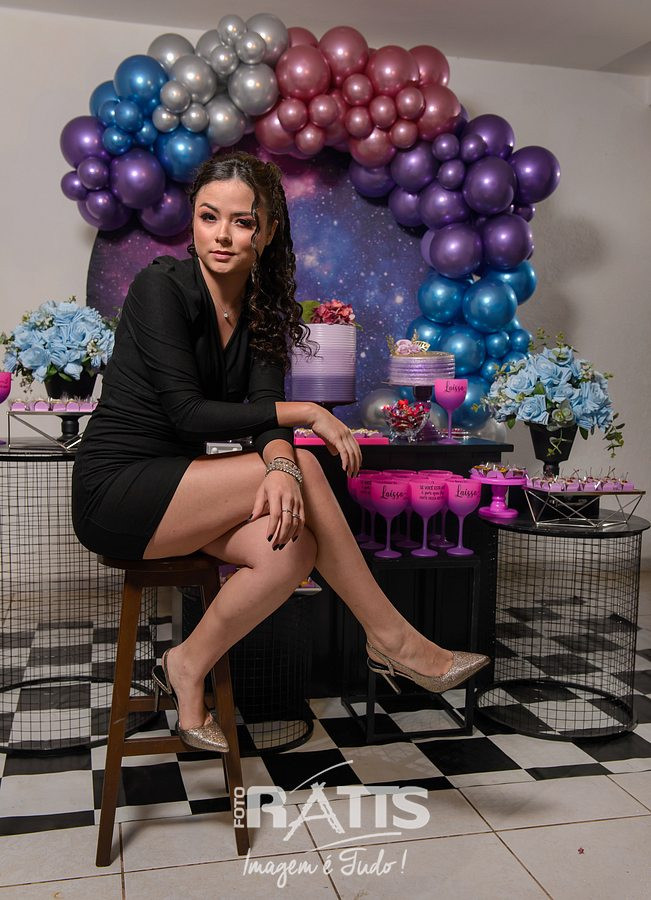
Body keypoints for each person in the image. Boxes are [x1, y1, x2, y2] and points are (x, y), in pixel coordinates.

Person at [72, 150, 489, 752]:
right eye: (209, 216)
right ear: (193, 219)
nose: (222, 235)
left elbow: (264, 413)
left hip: (184, 486)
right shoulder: (159, 287)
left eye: (242, 221)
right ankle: (393, 641)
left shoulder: (263, 310)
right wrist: (305, 417)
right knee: (309, 466)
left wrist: (280, 464)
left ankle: (186, 663)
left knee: (291, 550)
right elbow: (188, 412)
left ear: (267, 232)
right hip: (117, 488)